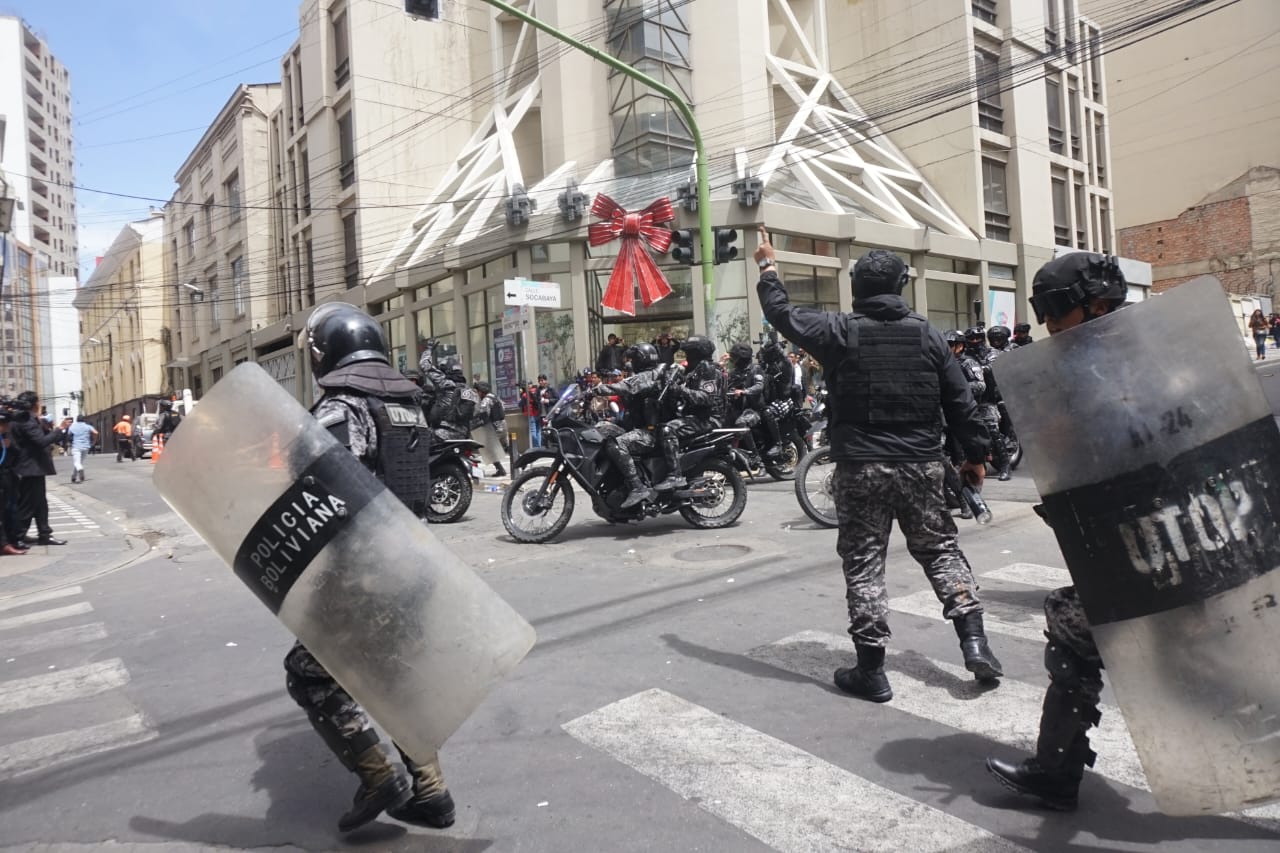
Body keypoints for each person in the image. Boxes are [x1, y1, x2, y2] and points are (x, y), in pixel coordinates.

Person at [755, 229, 1001, 703]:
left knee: (865, 562)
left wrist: (768, 266)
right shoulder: (929, 335)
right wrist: (975, 458)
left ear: (856, 287)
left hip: (861, 468)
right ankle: (974, 643)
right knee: (940, 551)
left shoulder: (837, 331)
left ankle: (872, 671)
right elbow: (961, 403)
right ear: (901, 287)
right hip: (922, 465)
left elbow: (780, 312)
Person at [288, 303, 453, 833]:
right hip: (415, 565)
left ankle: (378, 775)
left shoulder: (343, 407)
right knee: (392, 677)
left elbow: (330, 484)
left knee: (309, 673)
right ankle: (431, 790)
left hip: (365, 569)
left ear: (325, 354)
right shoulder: (407, 405)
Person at [985, 252, 1129, 812]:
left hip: (1165, 537)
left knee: (1073, 628)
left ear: (1096, 306)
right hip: (1143, 536)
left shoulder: (1118, 366)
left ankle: (1055, 773)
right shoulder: (1103, 361)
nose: (1047, 325)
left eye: (1056, 311)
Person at [589, 342, 670, 508]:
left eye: (633, 360)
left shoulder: (648, 376)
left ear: (641, 360)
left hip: (649, 433)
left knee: (616, 445)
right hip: (636, 427)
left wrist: (598, 389)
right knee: (601, 428)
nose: (630, 363)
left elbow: (624, 386)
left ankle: (637, 486)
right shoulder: (647, 375)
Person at [651, 335, 724, 491]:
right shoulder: (693, 370)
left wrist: (679, 390)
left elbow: (706, 398)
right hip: (693, 416)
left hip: (708, 418)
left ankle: (675, 475)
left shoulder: (708, 369)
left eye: (689, 353)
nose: (687, 356)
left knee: (667, 430)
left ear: (698, 353)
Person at [10, 391, 71, 547]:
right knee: (28, 505)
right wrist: (60, 429)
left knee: (40, 504)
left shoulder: (21, 418)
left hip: (30, 468)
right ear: (34, 404)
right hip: (30, 468)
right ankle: (18, 536)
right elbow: (41, 441)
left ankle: (44, 534)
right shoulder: (26, 420)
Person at [965, 327, 1012, 481]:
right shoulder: (966, 354)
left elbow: (993, 366)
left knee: (993, 430)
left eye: (977, 338)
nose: (974, 341)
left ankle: (1005, 466)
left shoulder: (992, 353)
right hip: (971, 398)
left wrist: (978, 369)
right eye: (971, 339)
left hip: (990, 397)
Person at [725, 343, 770, 462]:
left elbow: (759, 386)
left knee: (741, 423)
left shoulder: (756, 369)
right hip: (738, 408)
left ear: (742, 358)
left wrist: (744, 391)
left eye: (734, 357)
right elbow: (727, 386)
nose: (732, 360)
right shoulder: (734, 372)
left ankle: (756, 456)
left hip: (754, 409)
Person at [472, 381, 510, 477]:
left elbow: (483, 414)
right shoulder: (495, 396)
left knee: (488, 449)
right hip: (503, 424)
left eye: (478, 391)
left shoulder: (486, 400)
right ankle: (520, 460)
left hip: (495, 427)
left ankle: (500, 469)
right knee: (506, 446)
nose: (477, 394)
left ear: (482, 391)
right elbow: (503, 408)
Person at [66, 416, 98, 484]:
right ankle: (74, 476)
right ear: (84, 420)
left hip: (76, 446)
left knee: (77, 462)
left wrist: (69, 442)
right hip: (86, 447)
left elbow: (68, 435)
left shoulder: (72, 427)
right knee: (79, 462)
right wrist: (94, 442)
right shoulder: (87, 426)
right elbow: (95, 433)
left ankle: (80, 470)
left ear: (77, 420)